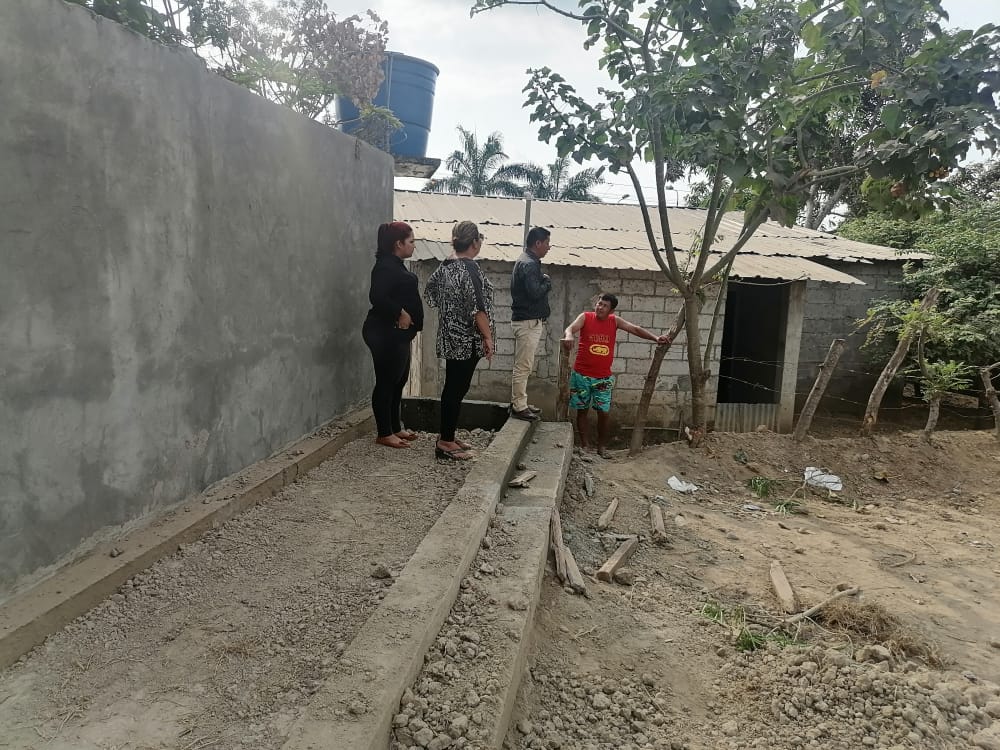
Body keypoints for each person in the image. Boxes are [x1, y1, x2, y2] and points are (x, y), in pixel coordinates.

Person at [562, 293, 671, 457]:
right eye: (599, 304)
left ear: (611, 310)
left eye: (604, 306)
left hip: (603, 378)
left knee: (604, 413)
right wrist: (569, 335)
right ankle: (585, 445)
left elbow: (635, 329)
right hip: (581, 375)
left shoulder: (615, 321)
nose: (600, 307)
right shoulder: (585, 317)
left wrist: (655, 338)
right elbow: (570, 328)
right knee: (582, 411)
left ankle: (602, 447)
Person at [424, 221, 495, 461]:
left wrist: (451, 311)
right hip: (467, 340)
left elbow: (431, 294)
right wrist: (487, 337)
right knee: (456, 389)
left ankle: (448, 435)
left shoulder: (445, 266)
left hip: (450, 336)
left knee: (453, 388)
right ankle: (445, 442)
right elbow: (478, 309)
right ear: (474, 242)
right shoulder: (470, 269)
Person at [362, 222, 423, 448]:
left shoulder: (396, 265)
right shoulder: (385, 267)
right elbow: (376, 296)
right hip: (383, 332)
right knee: (386, 382)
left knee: (399, 381)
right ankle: (384, 432)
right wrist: (400, 312)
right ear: (398, 244)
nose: (414, 246)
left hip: (398, 334)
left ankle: (395, 427)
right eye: (411, 241)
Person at [509, 226, 552, 421]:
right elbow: (535, 292)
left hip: (527, 320)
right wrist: (546, 282)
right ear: (538, 243)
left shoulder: (527, 261)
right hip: (527, 322)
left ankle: (520, 402)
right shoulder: (529, 264)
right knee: (523, 366)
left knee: (524, 365)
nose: (548, 247)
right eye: (547, 243)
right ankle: (519, 406)